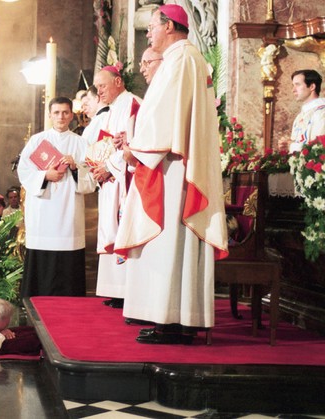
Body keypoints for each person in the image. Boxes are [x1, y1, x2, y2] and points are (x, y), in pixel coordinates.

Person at [114, 5, 228, 344]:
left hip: (172, 167)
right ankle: (174, 318)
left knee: (167, 242)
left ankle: (172, 320)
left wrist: (135, 148)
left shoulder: (180, 59)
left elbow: (164, 115)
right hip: (171, 163)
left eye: (152, 26)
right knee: (169, 245)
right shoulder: (186, 58)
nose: (148, 33)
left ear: (170, 26)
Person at [17, 97, 95, 297]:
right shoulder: (37, 141)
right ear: (50, 115)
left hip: (69, 212)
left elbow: (92, 179)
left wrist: (76, 167)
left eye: (65, 112)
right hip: (43, 211)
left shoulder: (81, 143)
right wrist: (45, 175)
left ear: (71, 115)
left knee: (68, 264)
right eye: (57, 113)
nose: (61, 117)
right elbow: (24, 171)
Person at [88, 64, 142, 309]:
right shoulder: (109, 110)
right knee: (110, 229)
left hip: (123, 179)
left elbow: (133, 145)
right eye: (97, 87)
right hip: (109, 180)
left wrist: (108, 167)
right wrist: (97, 166)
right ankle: (114, 288)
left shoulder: (133, 104)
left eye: (102, 85)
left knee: (121, 229)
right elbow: (105, 144)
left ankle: (126, 289)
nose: (99, 92)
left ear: (118, 81)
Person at [280, 70, 325, 152]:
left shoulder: (321, 113)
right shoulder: (300, 116)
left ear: (312, 87)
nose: (293, 90)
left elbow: (320, 149)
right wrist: (287, 145)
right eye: (293, 85)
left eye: (297, 85)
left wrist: (292, 146)